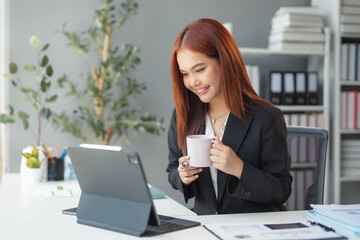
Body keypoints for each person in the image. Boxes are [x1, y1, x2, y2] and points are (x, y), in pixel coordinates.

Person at [166, 18, 292, 215]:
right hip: (206, 226)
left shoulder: (266, 117)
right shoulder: (184, 115)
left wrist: (239, 168)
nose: (193, 82)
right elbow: (172, 168)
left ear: (225, 60)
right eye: (185, 73)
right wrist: (182, 175)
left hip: (253, 227)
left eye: (199, 70)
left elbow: (281, 190)